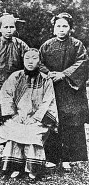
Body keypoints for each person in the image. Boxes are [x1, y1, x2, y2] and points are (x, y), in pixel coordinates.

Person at [0, 48, 58, 179]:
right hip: (16, 117)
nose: (30, 61)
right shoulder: (15, 77)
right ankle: (14, 167)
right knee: (14, 131)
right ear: (23, 60)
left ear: (39, 61)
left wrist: (35, 118)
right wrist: (14, 115)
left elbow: (48, 102)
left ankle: (32, 169)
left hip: (36, 120)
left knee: (31, 134)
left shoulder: (46, 80)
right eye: (27, 58)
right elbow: (6, 97)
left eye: (34, 58)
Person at [40, 12, 89, 170]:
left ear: (70, 29)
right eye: (58, 26)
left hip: (71, 91)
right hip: (52, 88)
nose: (61, 29)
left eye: (64, 26)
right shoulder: (46, 45)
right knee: (52, 120)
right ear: (53, 29)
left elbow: (82, 62)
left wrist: (64, 74)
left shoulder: (77, 45)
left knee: (70, 123)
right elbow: (39, 63)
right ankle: (52, 157)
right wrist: (48, 74)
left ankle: (68, 158)